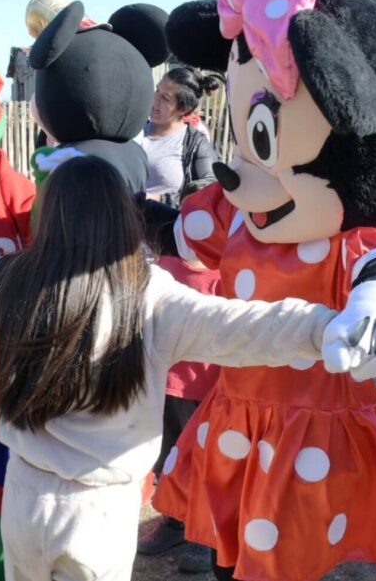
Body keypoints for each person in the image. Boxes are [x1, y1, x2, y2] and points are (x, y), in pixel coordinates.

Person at [0, 155, 340, 581]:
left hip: (25, 497)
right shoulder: (149, 297)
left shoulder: (9, 282)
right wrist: (328, 327)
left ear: (48, 218)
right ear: (122, 218)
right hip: (101, 512)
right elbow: (242, 326)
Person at [137, 183, 222, 573]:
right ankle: (174, 520)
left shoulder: (228, 272)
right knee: (168, 457)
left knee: (205, 461)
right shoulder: (166, 264)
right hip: (165, 379)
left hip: (207, 386)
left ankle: (204, 535)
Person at [138, 67, 220, 207]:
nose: (155, 100)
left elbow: (209, 188)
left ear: (184, 109)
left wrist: (161, 200)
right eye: (157, 90)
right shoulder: (136, 130)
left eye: (165, 98)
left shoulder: (195, 143)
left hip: (165, 225)